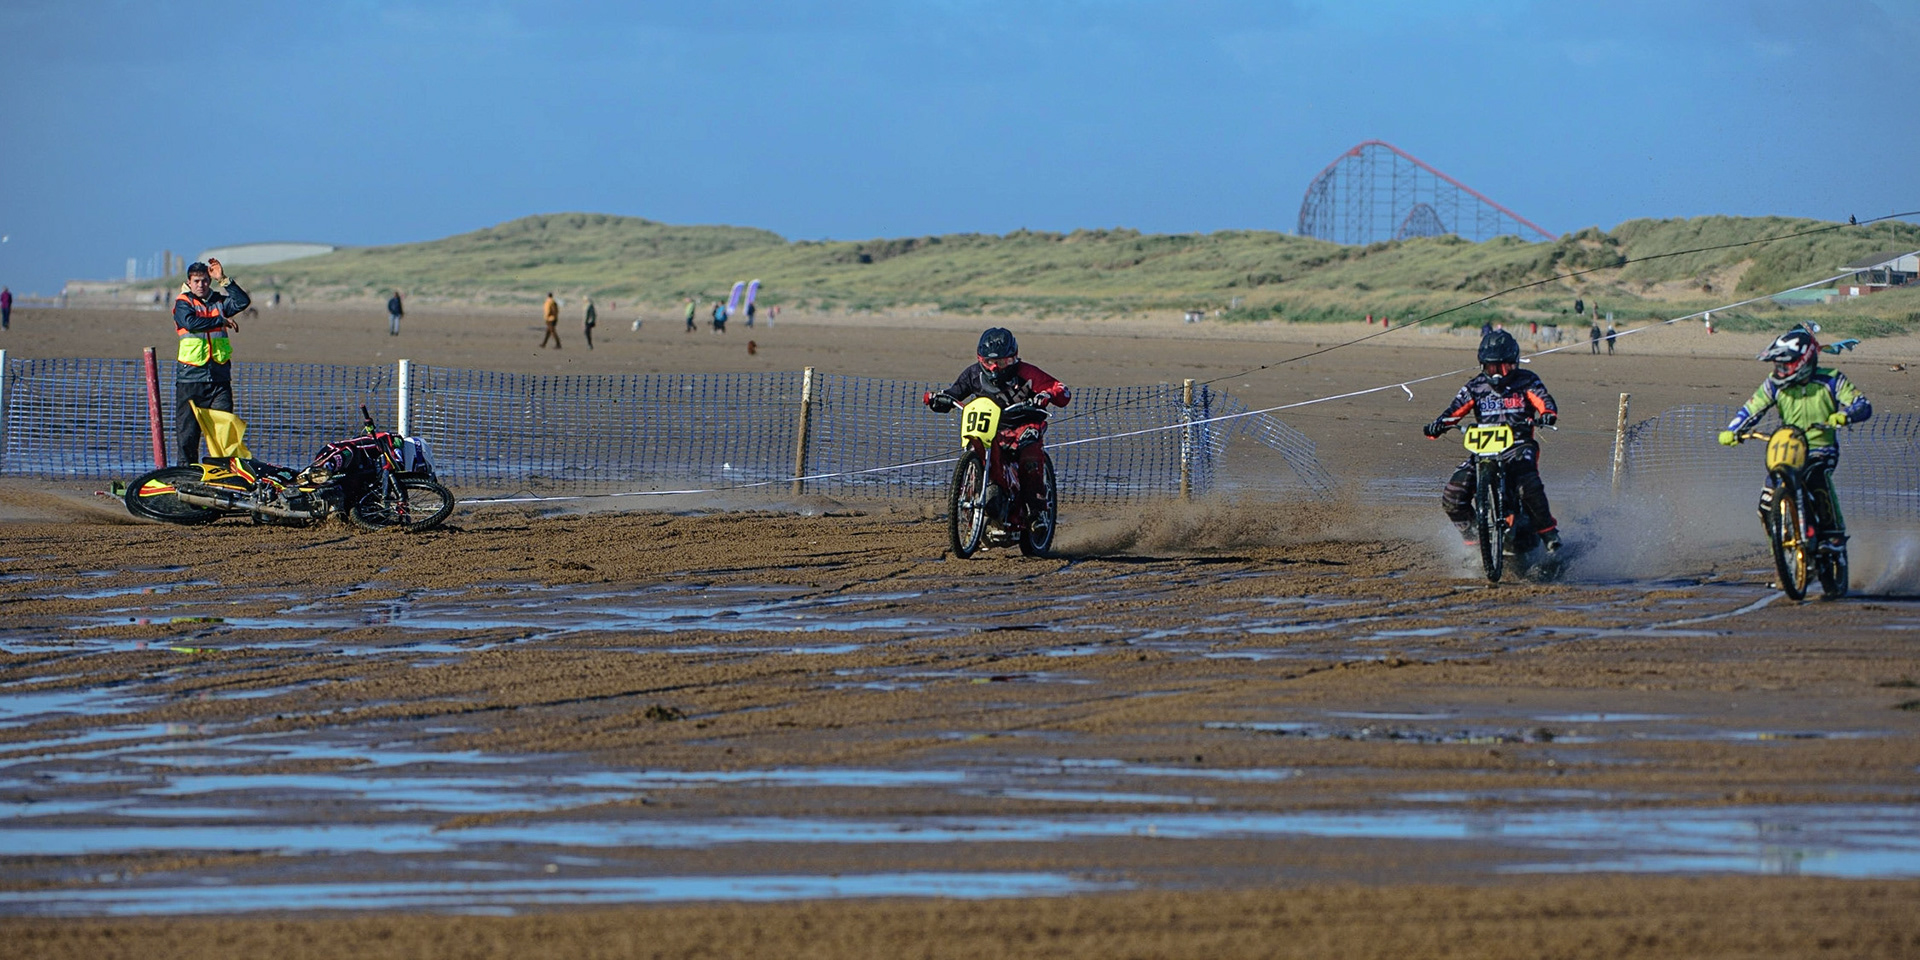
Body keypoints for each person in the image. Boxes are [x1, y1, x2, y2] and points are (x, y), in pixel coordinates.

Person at [1718, 326, 1871, 549]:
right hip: (1788, 447)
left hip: (1821, 447)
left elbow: (1862, 405)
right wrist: (1732, 430)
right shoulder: (1772, 384)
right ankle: (1781, 557)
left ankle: (1833, 535)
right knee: (1766, 504)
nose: (1780, 370)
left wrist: (1844, 416)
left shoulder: (1832, 379)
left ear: (1803, 362)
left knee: (1817, 478)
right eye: (1777, 365)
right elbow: (1751, 410)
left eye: (1785, 365)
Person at [1422, 329, 1562, 553]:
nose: (1497, 374)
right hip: (1483, 450)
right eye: (1491, 368)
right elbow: (1453, 412)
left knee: (1528, 485)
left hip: (1518, 445)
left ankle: (1548, 532)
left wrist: (1547, 414)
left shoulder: (1527, 380)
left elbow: (1544, 400)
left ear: (1514, 364)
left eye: (1503, 367)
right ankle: (1473, 541)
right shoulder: (1474, 386)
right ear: (1482, 366)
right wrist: (1438, 426)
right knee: (1452, 495)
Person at [922, 327, 1072, 525]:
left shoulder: (1027, 372)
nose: (994, 368)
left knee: (1030, 454)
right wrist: (937, 399)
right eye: (989, 362)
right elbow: (954, 393)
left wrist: (1046, 395)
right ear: (980, 360)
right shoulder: (973, 374)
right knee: (976, 449)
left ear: (1013, 358)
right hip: (989, 428)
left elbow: (1061, 390)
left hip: (1024, 424)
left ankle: (1036, 511)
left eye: (1001, 362)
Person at [171, 259, 251, 465]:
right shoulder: (183, 302)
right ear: (189, 282)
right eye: (197, 281)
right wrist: (220, 321)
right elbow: (190, 323)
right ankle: (186, 474)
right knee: (188, 434)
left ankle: (224, 471)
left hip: (219, 378)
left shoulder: (219, 301)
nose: (201, 285)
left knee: (224, 429)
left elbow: (242, 302)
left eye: (205, 281)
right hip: (190, 379)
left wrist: (224, 280)